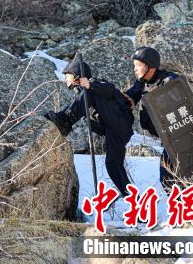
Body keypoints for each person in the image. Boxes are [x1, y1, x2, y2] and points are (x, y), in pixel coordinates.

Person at [44, 55, 135, 197]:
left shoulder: (95, 86)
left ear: (77, 76)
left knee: (87, 94)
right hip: (113, 131)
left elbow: (110, 89)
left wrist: (90, 85)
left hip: (119, 125)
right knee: (113, 165)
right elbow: (99, 126)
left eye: (68, 76)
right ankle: (134, 201)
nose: (66, 80)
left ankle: (66, 120)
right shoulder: (85, 97)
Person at [122, 46, 181, 189]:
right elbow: (126, 98)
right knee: (171, 179)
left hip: (180, 137)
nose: (135, 69)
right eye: (134, 66)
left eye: (138, 66)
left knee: (168, 178)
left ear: (150, 66)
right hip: (167, 139)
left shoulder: (170, 80)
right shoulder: (142, 84)